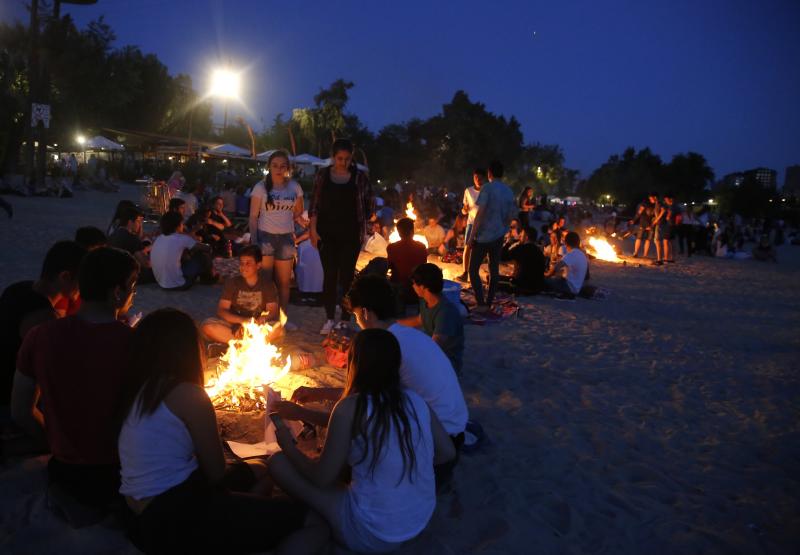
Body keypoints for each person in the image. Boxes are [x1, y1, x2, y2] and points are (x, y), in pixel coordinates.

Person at [118, 309, 317, 553]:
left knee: (262, 468)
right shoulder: (189, 394)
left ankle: (243, 525)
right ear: (186, 351)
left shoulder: (139, 390)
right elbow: (216, 473)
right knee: (309, 520)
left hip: (138, 515)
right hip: (175, 516)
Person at [268, 328, 454, 553]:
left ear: (355, 363)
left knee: (278, 463)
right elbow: (447, 452)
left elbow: (321, 478)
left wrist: (288, 447)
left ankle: (328, 528)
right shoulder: (414, 399)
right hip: (419, 520)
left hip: (373, 533)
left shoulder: (349, 407)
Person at [274, 275, 468, 484]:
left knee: (340, 451)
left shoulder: (386, 349)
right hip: (452, 436)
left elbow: (355, 412)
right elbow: (365, 395)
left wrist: (301, 413)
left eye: (356, 315)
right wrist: (317, 393)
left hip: (434, 445)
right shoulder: (407, 335)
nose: (357, 321)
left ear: (365, 312)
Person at [11, 247, 138, 513]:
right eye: (132, 287)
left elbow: (21, 411)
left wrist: (56, 441)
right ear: (118, 292)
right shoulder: (134, 343)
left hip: (64, 472)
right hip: (118, 471)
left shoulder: (40, 336)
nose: (133, 295)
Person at [0, 241, 86, 408]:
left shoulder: (17, 288)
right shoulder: (45, 318)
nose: (83, 288)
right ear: (65, 277)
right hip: (9, 402)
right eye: (81, 280)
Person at [309, 138, 374, 335]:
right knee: (329, 276)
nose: (343, 162)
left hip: (351, 235)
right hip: (326, 234)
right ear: (333, 157)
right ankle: (329, 318)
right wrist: (313, 230)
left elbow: (369, 204)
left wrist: (367, 227)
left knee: (347, 278)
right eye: (339, 158)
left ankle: (345, 319)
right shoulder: (322, 175)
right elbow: (314, 205)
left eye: (347, 159)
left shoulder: (359, 177)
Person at [249, 150, 304, 330]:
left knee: (284, 283)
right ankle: (264, 319)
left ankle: (282, 320)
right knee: (265, 282)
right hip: (265, 236)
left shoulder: (295, 187)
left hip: (286, 237)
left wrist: (304, 221)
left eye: (282, 166)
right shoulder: (260, 187)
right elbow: (253, 216)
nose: (279, 169)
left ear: (287, 168)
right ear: (269, 167)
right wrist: (254, 239)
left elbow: (297, 213)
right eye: (275, 165)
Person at [200, 246, 279, 344]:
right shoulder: (232, 282)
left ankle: (239, 344)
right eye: (241, 263)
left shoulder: (267, 285)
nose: (243, 267)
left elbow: (272, 310)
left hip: (257, 327)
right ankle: (249, 344)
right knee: (207, 326)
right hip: (233, 325)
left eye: (248, 263)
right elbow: (222, 310)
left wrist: (260, 320)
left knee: (278, 329)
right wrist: (243, 321)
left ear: (258, 265)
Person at [397, 263, 465, 375]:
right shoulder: (425, 300)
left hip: (447, 363)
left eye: (414, 284)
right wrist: (392, 324)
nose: (413, 286)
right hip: (433, 352)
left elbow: (434, 347)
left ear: (423, 286)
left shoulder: (446, 312)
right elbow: (420, 320)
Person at [468, 160, 516, 309]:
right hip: (498, 236)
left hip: (483, 236)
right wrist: (503, 229)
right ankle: (489, 301)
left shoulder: (487, 188)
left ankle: (481, 302)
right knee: (494, 268)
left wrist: (471, 236)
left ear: (489, 173)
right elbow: (510, 216)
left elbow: (480, 213)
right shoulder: (508, 191)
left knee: (472, 269)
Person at [150, 211, 217, 290]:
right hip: (180, 284)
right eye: (182, 224)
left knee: (188, 255)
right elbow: (206, 248)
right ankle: (209, 278)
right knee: (203, 256)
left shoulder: (159, 238)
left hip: (162, 284)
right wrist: (209, 245)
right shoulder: (182, 238)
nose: (183, 226)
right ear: (177, 226)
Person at [108, 205, 155, 283]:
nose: (140, 225)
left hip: (115, 274)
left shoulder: (114, 234)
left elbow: (135, 246)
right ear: (130, 222)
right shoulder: (130, 238)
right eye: (138, 221)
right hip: (129, 276)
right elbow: (147, 264)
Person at [387, 217, 428, 306]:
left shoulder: (391, 248)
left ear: (398, 233)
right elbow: (423, 267)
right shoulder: (421, 247)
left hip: (398, 290)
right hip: (416, 291)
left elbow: (389, 266)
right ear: (412, 231)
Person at [456, 168, 485, 282]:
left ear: (484, 178)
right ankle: (465, 273)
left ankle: (475, 273)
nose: (477, 180)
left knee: (481, 249)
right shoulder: (468, 191)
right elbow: (464, 211)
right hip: (471, 222)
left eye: (480, 177)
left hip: (484, 224)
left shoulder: (487, 190)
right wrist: (464, 209)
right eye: (475, 177)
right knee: (467, 247)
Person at [500, 229, 546, 295]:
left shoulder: (522, 248)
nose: (519, 237)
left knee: (493, 280)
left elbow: (502, 257)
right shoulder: (539, 252)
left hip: (522, 285)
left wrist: (508, 243)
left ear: (526, 237)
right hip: (537, 287)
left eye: (521, 236)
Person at [543, 231, 588, 299]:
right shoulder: (582, 254)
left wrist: (547, 274)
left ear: (566, 243)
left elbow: (557, 266)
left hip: (569, 287)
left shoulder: (572, 253)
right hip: (576, 287)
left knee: (542, 280)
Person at [649, 192, 666, 265]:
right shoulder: (657, 204)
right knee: (657, 241)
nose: (650, 200)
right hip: (659, 223)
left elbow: (663, 210)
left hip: (660, 224)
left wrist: (657, 220)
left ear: (655, 197)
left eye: (651, 198)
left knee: (657, 240)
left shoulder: (659, 203)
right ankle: (659, 259)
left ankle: (660, 260)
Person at [662, 193, 678, 263]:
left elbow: (668, 216)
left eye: (666, 199)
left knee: (665, 241)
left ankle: (666, 257)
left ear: (670, 199)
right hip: (673, 225)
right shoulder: (675, 206)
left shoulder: (671, 207)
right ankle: (672, 258)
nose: (665, 201)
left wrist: (666, 216)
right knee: (672, 241)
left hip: (669, 225)